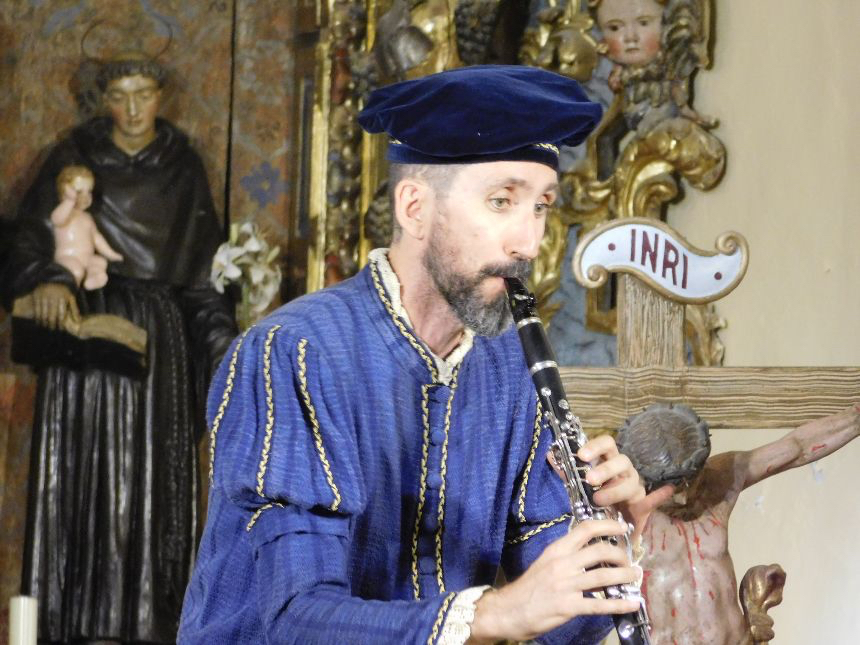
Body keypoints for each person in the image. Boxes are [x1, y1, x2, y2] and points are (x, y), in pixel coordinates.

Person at [179, 65, 664, 644]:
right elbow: (295, 621)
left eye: (541, 206)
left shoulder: (511, 367)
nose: (529, 242)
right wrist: (496, 615)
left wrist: (616, 540)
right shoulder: (294, 354)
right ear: (414, 208)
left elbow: (558, 624)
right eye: (501, 201)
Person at [4, 53, 236, 643]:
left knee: (150, 493)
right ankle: (66, 628)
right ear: (104, 101)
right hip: (86, 337)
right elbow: (27, 237)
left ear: (161, 97)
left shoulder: (183, 166)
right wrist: (49, 279)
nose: (132, 109)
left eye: (144, 94)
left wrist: (225, 362)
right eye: (120, 96)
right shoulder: (74, 158)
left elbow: (202, 279)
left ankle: (148, 629)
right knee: (77, 488)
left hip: (157, 345)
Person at [615, 402, 860, 644]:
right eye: (670, 489)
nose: (684, 497)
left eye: (692, 481)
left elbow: (797, 447)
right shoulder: (620, 515)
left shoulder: (720, 479)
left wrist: (855, 418)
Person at [50, 165, 123, 290]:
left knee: (99, 262)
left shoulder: (87, 217)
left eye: (89, 191)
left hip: (87, 258)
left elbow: (96, 238)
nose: (85, 197)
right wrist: (69, 201)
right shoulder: (64, 213)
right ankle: (71, 290)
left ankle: (93, 279)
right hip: (67, 258)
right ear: (64, 192)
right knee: (76, 270)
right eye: (78, 192)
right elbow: (56, 220)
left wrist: (110, 254)